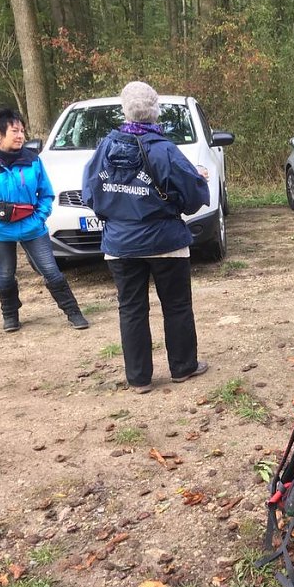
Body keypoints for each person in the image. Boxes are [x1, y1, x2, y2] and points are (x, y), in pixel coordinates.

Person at [82, 81, 210, 394]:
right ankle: (183, 367)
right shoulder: (165, 149)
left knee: (131, 309)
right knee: (177, 306)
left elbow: (90, 193)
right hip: (166, 241)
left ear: (123, 109)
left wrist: (115, 217)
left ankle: (139, 378)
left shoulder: (104, 149)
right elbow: (195, 195)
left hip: (121, 245)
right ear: (155, 112)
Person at [0, 108, 89, 333]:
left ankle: (73, 312)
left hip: (32, 227)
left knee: (51, 271)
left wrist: (40, 217)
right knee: (4, 274)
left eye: (22, 131)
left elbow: (46, 193)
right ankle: (10, 315)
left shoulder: (33, 160)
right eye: (15, 131)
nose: (20, 135)